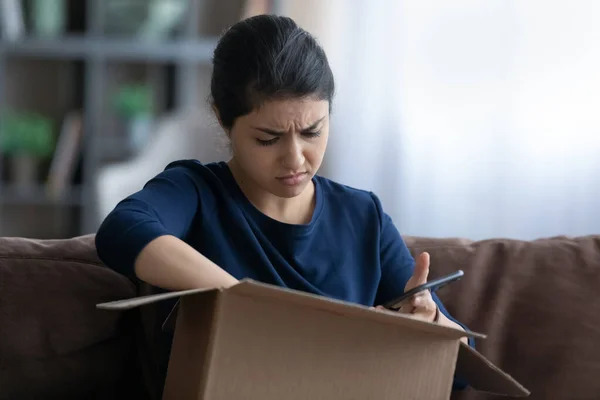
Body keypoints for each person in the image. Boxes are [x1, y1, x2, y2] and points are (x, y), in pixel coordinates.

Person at [95, 14, 474, 393]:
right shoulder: (196, 192)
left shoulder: (363, 219)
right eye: (268, 138)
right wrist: (243, 301)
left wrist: (431, 326)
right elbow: (123, 229)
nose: (295, 159)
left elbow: (461, 368)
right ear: (223, 120)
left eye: (312, 132)